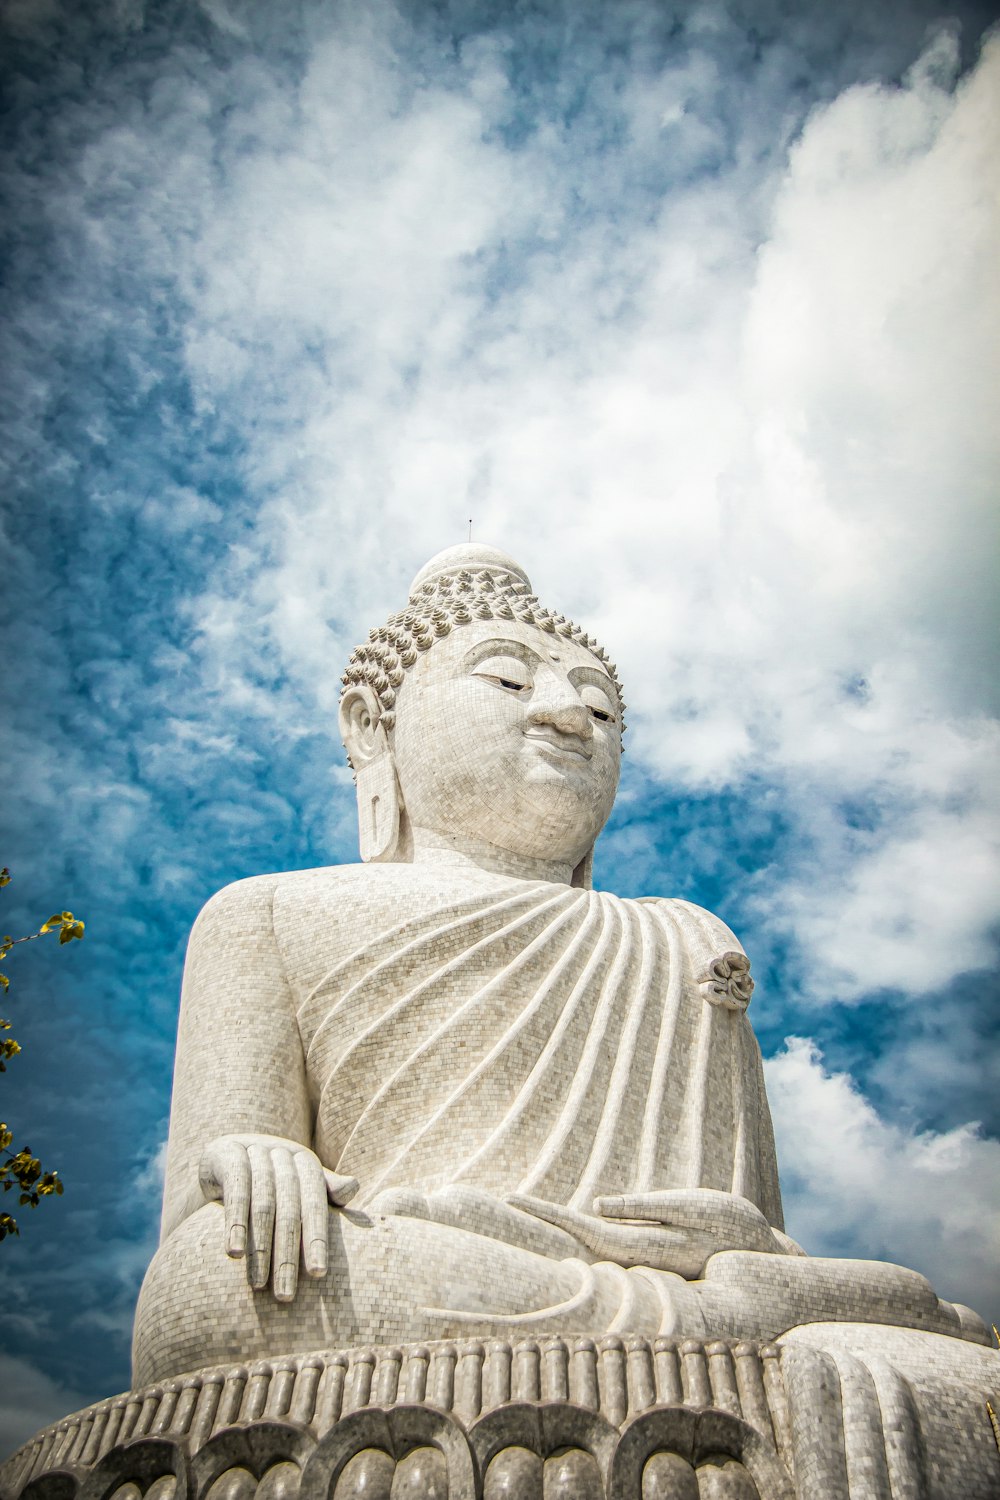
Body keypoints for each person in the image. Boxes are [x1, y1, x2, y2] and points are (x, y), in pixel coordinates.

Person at [133, 545, 983, 1384]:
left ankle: (724, 1326)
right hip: (427, 1250)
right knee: (209, 1279)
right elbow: (196, 1225)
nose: (568, 717)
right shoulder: (266, 913)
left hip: (653, 1282)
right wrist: (251, 1154)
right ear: (369, 722)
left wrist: (749, 1245)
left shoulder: (681, 934)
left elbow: (755, 1235)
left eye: (603, 711)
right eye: (507, 680)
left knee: (922, 1326)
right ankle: (717, 1335)